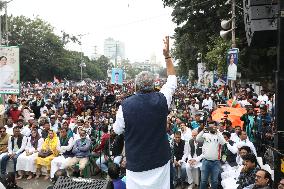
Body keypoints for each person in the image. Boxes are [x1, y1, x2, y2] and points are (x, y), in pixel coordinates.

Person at [113, 36, 177, 189]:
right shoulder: (162, 99)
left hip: (136, 165)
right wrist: (167, 56)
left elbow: (117, 130)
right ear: (154, 84)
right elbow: (172, 79)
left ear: (135, 86)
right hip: (160, 162)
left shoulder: (125, 106)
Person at [196, 121, 226, 189]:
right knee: (203, 181)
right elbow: (197, 139)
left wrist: (217, 132)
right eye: (210, 126)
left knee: (214, 181)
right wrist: (203, 131)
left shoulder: (219, 135)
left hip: (216, 162)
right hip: (205, 161)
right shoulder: (205, 135)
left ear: (216, 126)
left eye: (213, 126)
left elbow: (223, 142)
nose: (211, 128)